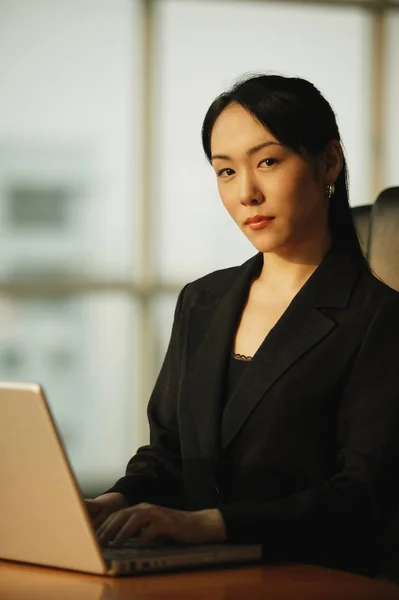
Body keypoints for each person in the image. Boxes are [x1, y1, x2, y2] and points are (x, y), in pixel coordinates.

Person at [85, 74, 399, 577]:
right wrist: (116, 499)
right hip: (193, 576)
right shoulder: (202, 301)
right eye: (226, 171)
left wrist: (210, 525)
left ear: (329, 162)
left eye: (268, 162)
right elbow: (169, 454)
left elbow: (362, 496)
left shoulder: (378, 316)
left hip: (315, 579)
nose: (246, 192)